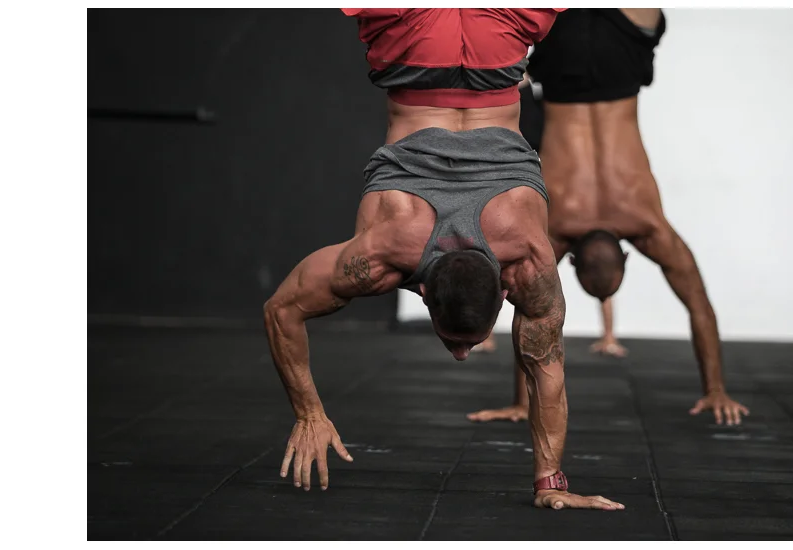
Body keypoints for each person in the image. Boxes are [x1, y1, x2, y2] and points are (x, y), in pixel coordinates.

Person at [262, 8, 623, 511]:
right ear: (503, 292)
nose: (459, 355)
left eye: (457, 341)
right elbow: (548, 374)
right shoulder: (385, 253)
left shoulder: (521, 259)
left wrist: (311, 413)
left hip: (495, 58)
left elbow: (282, 309)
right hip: (415, 53)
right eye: (460, 342)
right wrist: (306, 414)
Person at [467, 8, 750, 426]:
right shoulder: (560, 229)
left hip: (622, 70)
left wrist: (717, 390)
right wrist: (715, 389)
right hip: (561, 73)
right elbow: (529, 312)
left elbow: (700, 308)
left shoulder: (644, 224)